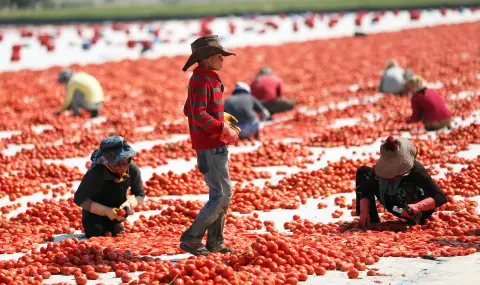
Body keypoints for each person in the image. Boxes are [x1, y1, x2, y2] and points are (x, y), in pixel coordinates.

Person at [180, 35, 239, 256]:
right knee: (221, 195)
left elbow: (189, 110)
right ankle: (192, 238)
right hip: (211, 145)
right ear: (205, 59)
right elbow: (197, 114)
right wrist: (223, 128)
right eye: (218, 56)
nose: (222, 60)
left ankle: (215, 242)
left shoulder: (202, 79)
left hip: (211, 143)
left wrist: (220, 117)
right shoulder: (204, 80)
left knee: (223, 194)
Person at [355, 136, 447, 229]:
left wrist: (417, 206)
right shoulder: (380, 169)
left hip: (410, 210)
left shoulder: (416, 169)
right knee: (363, 172)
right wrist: (363, 214)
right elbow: (366, 190)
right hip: (393, 205)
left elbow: (440, 197)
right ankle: (371, 220)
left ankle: (415, 220)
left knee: (406, 187)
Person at [73, 136, 144, 238]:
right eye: (117, 162)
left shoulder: (132, 168)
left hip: (117, 214)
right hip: (94, 215)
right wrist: (105, 211)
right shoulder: (96, 173)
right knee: (96, 234)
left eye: (126, 160)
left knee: (117, 235)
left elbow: (139, 194)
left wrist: (128, 205)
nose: (122, 166)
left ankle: (114, 224)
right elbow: (79, 199)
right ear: (107, 162)